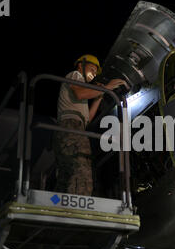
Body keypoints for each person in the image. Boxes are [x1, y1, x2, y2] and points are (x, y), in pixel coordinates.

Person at [53, 54, 127, 195]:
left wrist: (99, 96)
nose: (94, 74)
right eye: (92, 69)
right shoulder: (75, 75)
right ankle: (76, 209)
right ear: (81, 65)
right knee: (81, 170)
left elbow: (88, 119)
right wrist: (107, 88)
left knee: (66, 174)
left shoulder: (82, 89)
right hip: (71, 127)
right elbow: (80, 94)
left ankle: (55, 203)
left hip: (75, 127)